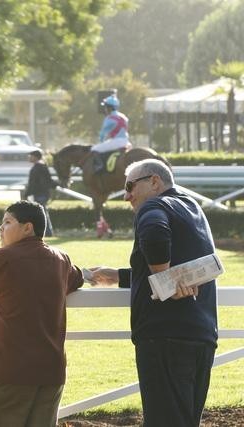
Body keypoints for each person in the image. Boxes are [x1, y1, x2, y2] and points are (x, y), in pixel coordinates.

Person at [88, 159, 218, 427]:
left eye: (129, 186)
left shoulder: (153, 206)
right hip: (201, 335)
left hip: (164, 338)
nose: (126, 196)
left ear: (154, 182)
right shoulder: (192, 208)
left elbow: (156, 235)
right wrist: (121, 276)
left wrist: (165, 279)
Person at [0, 200, 84, 427]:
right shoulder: (60, 258)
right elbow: (76, 278)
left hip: (9, 372)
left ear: (27, 227)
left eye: (7, 222)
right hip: (51, 372)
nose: (1, 229)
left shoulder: (3, 258)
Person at [23, 149, 58, 237]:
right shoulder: (42, 166)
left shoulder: (38, 167)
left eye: (31, 156)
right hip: (42, 193)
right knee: (43, 213)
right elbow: (49, 180)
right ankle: (47, 232)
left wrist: (26, 194)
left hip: (40, 194)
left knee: (41, 214)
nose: (29, 158)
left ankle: (46, 232)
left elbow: (33, 183)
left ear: (35, 157)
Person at [92, 94, 130, 173]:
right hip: (126, 142)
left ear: (109, 107)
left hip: (116, 142)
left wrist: (101, 142)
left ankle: (100, 166)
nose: (105, 109)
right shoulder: (124, 117)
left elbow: (103, 134)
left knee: (94, 149)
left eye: (105, 107)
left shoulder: (109, 118)